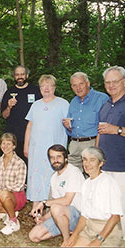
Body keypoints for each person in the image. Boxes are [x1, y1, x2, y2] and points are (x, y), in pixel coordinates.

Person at [24, 74, 69, 211]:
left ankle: (50, 207)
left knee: (52, 175)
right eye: (43, 86)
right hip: (36, 148)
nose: (46, 88)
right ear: (40, 88)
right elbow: (30, 126)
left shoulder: (63, 103)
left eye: (49, 85)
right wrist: (26, 145)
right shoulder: (36, 105)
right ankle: (35, 208)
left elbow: (70, 125)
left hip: (54, 148)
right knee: (36, 175)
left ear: (54, 87)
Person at [62, 147, 123, 247]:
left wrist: (98, 240)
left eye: (92, 160)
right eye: (85, 159)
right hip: (89, 229)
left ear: (101, 163)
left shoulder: (109, 182)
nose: (87, 164)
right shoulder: (86, 183)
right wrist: (74, 235)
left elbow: (115, 217)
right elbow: (84, 215)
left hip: (108, 232)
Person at [29, 144, 84, 244]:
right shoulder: (54, 177)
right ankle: (65, 228)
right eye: (52, 157)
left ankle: (67, 241)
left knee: (56, 208)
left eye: (59, 157)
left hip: (80, 217)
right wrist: (43, 218)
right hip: (62, 214)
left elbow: (67, 200)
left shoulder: (73, 172)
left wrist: (43, 203)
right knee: (34, 236)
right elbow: (56, 204)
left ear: (66, 158)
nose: (56, 160)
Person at [96, 65, 125, 240]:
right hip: (106, 165)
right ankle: (112, 239)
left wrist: (118, 130)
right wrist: (96, 157)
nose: (111, 85)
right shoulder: (106, 105)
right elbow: (100, 132)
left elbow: (113, 130)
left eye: (115, 81)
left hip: (122, 167)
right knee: (108, 205)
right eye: (108, 82)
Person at [62, 72, 108, 172]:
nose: (78, 88)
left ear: (88, 83)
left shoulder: (102, 99)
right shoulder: (73, 101)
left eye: (81, 84)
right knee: (71, 175)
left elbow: (107, 125)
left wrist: (97, 147)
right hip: (74, 144)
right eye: (74, 85)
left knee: (92, 175)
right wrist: (68, 127)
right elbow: (70, 129)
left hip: (92, 143)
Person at [1, 65, 42, 163]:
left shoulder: (36, 90)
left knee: (31, 162)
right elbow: (4, 115)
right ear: (14, 76)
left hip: (32, 135)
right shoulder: (9, 92)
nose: (20, 77)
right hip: (14, 137)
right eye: (17, 74)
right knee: (13, 163)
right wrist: (9, 107)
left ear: (27, 75)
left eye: (22, 74)